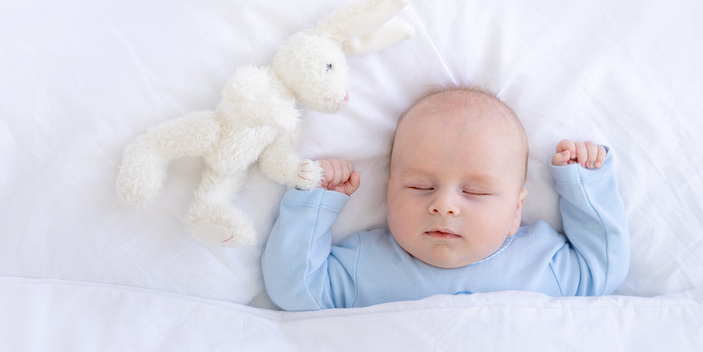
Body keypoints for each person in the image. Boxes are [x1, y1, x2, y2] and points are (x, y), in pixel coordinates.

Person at [262, 86, 629, 311]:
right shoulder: (364, 266)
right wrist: (315, 205)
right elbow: (295, 290)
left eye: (474, 191)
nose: (444, 205)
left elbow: (604, 269)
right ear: (389, 192)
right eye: (421, 186)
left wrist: (584, 186)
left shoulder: (542, 262)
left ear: (517, 211)